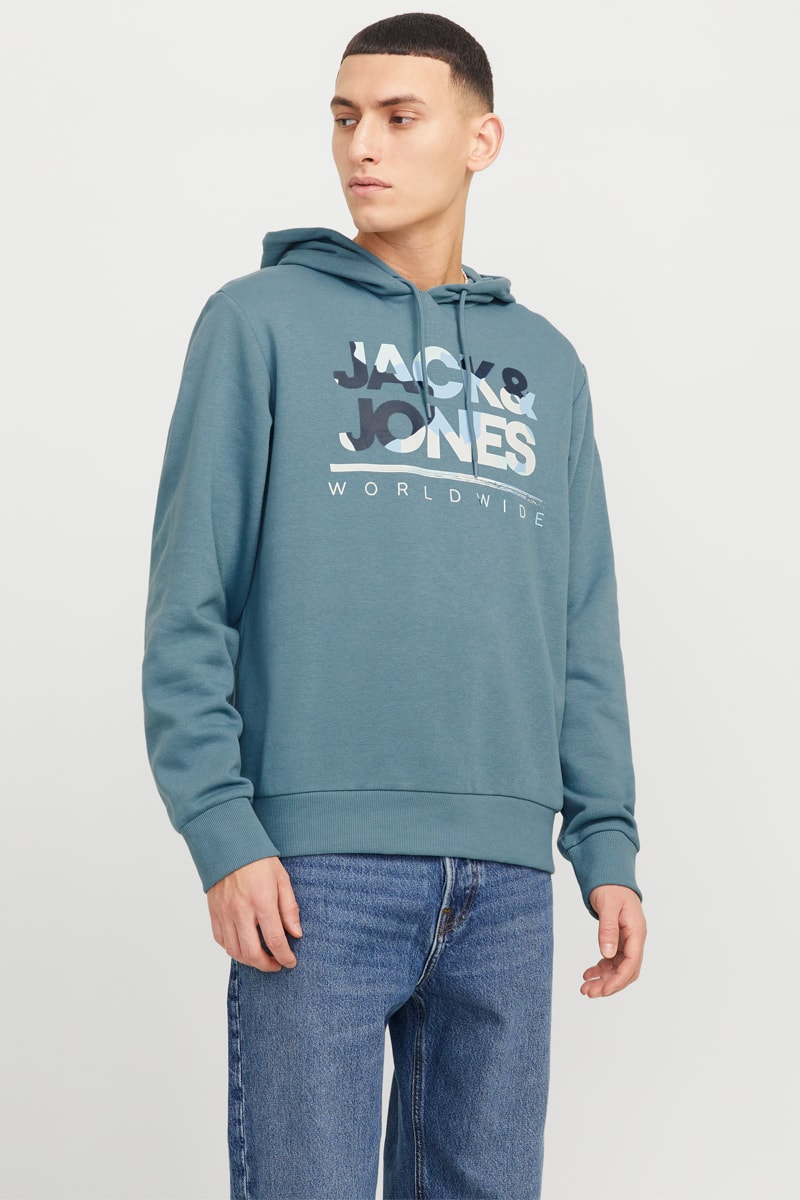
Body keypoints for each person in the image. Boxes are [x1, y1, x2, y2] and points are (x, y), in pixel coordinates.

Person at [142, 12, 647, 1199]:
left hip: (506, 882)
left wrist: (605, 841)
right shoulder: (257, 323)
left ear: (481, 140)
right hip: (313, 872)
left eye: (398, 117)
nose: (360, 146)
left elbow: (579, 620)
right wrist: (222, 830)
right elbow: (189, 601)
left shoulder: (546, 365)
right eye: (343, 117)